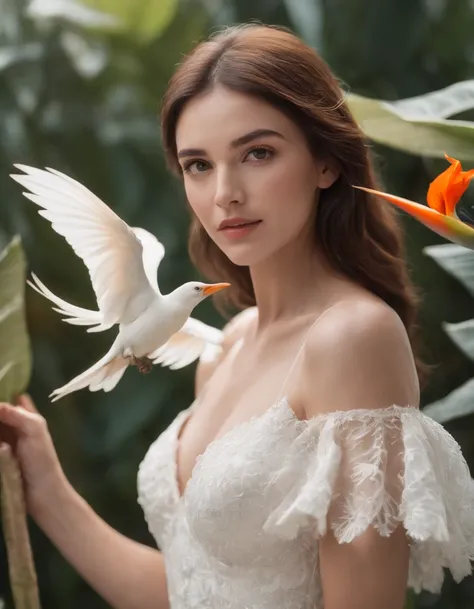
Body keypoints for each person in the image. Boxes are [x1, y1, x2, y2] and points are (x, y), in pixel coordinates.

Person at [1, 22, 473, 609]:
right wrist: (46, 490)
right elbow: (191, 593)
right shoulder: (231, 342)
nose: (225, 192)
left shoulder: (353, 339)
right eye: (198, 164)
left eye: (258, 153)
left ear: (325, 163)